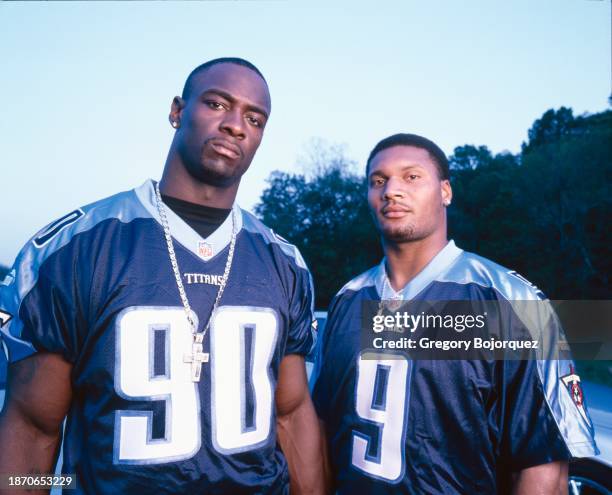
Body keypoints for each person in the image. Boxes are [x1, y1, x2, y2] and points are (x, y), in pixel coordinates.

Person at [0, 58, 325, 494]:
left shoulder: (284, 261)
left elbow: (292, 414)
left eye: (254, 117)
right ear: (177, 111)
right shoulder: (77, 247)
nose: (235, 125)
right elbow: (32, 427)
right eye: (217, 103)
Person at [310, 133, 598, 494]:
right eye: (378, 181)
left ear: (445, 191)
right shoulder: (346, 301)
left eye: (411, 176)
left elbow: (544, 466)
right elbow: (318, 431)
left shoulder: (513, 300)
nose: (391, 190)